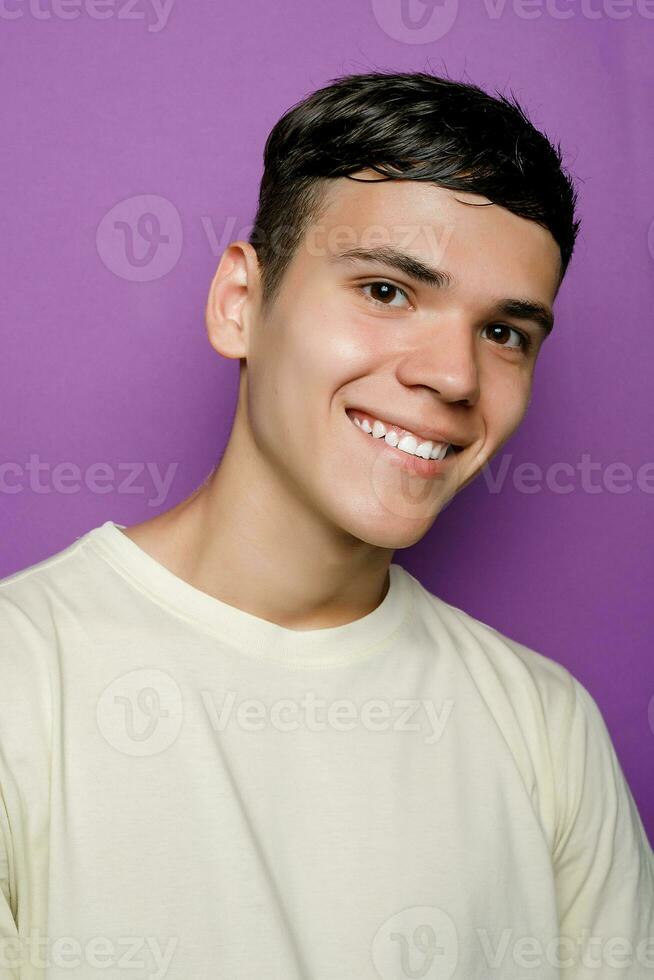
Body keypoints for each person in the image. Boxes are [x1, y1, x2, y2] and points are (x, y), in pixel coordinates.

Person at [1, 70, 652, 979]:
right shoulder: (22, 681)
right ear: (240, 304)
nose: (455, 377)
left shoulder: (549, 729)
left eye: (505, 333)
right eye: (387, 291)